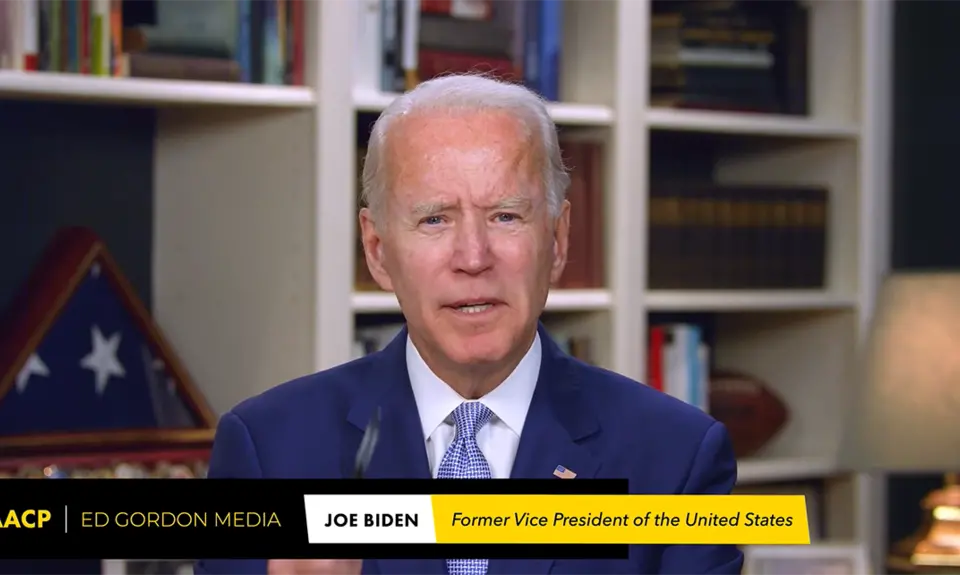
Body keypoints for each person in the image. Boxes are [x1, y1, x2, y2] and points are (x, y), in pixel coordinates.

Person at [194, 74, 743, 575]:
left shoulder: (677, 462)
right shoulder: (269, 451)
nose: (474, 256)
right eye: (434, 219)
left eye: (506, 215)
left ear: (557, 240)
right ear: (378, 250)